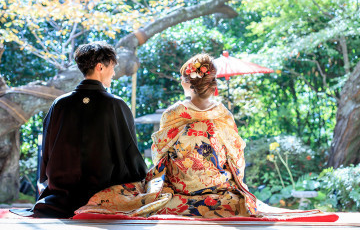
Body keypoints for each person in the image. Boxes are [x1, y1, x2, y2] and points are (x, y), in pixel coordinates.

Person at [74, 53, 321, 219]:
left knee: (145, 194)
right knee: (236, 199)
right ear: (211, 83)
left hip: (179, 190)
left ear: (186, 83)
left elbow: (159, 155)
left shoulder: (173, 113)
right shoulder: (223, 114)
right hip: (219, 190)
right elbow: (236, 156)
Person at [13, 42, 147, 218]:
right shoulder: (117, 105)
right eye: (112, 67)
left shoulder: (59, 104)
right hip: (103, 198)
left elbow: (47, 152)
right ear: (100, 67)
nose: (114, 73)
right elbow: (130, 156)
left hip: (60, 197)